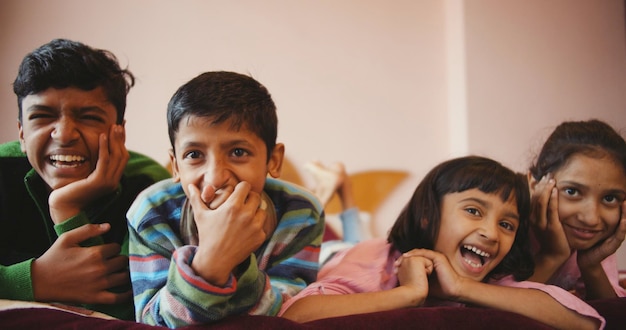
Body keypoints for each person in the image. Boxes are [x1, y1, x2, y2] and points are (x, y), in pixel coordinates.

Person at [280, 156, 604, 330]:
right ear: (426, 216)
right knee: (345, 237)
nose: (491, 233)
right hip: (339, 255)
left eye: (507, 224)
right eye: (474, 211)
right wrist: (408, 294)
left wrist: (461, 288)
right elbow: (297, 314)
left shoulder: (493, 278)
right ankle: (337, 190)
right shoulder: (375, 261)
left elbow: (584, 322)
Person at [127, 71, 325, 327]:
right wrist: (212, 260)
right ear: (175, 165)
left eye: (238, 152)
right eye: (194, 154)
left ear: (273, 160)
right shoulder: (152, 212)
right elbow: (153, 322)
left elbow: (287, 312)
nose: (215, 177)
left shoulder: (300, 213)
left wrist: (234, 259)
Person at [0, 38, 171, 320]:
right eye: (42, 116)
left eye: (89, 117)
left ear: (119, 131)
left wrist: (67, 208)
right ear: (21, 133)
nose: (65, 135)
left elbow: (140, 307)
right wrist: (36, 280)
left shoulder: (149, 187)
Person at [527, 119, 626, 300]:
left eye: (609, 198)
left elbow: (614, 319)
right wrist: (552, 256)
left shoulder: (591, 241)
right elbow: (491, 315)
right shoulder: (504, 229)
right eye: (572, 192)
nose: (591, 219)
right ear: (535, 186)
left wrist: (592, 266)